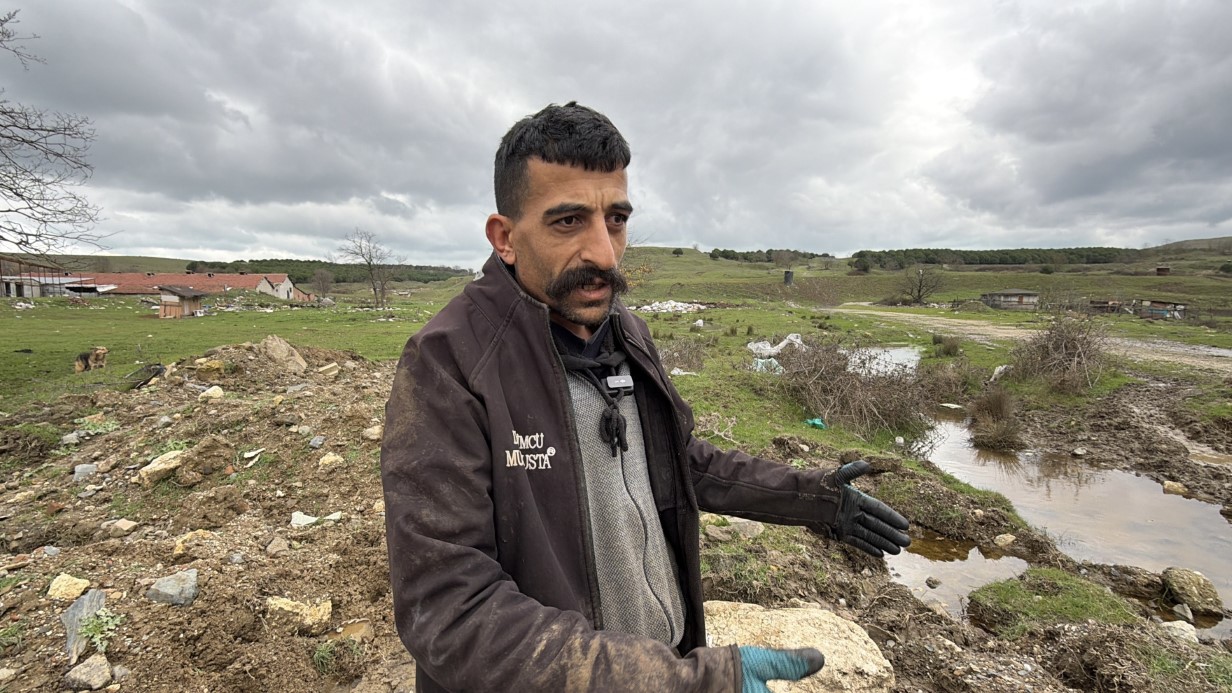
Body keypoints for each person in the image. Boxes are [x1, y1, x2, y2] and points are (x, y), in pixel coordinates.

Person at [381, 102, 911, 693]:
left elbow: (678, 460)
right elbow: (449, 611)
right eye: (568, 222)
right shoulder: (448, 364)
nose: (604, 254)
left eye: (616, 220)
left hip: (661, 659)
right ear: (505, 237)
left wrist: (813, 497)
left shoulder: (624, 330)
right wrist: (678, 683)